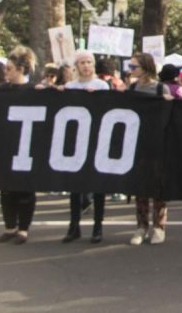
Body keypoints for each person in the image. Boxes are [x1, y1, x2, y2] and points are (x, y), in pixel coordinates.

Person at [61, 51, 111, 244]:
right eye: (82, 62)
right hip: (76, 142)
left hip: (96, 141)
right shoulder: (70, 86)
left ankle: (97, 226)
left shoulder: (101, 85)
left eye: (89, 62)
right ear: (76, 65)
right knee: (75, 187)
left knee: (97, 186)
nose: (86, 65)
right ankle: (74, 226)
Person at [126, 53, 173, 245]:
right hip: (137, 144)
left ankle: (159, 227)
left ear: (145, 67)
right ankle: (141, 226)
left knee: (158, 188)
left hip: (157, 143)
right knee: (140, 187)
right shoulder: (132, 88)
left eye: (133, 66)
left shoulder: (160, 88)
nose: (131, 70)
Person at [0, 46, 38, 245]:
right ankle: (9, 226)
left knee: (25, 188)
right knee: (6, 189)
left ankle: (23, 228)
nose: (6, 72)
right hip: (6, 146)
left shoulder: (34, 91)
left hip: (27, 148)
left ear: (21, 69)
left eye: (9, 69)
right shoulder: (1, 92)